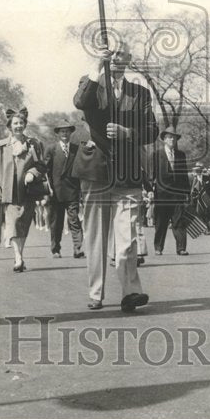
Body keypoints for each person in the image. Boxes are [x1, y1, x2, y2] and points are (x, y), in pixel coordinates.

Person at [74, 46, 159, 312]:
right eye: (112, 52)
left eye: (122, 52)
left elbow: (152, 130)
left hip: (128, 175)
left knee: (127, 238)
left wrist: (127, 132)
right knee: (96, 237)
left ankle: (131, 291)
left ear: (129, 59)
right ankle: (96, 292)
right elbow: (80, 102)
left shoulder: (140, 93)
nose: (116, 57)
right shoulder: (92, 85)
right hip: (96, 172)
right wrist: (97, 68)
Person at [0, 107, 47, 273]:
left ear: (25, 125)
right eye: (15, 123)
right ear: (9, 126)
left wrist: (32, 173)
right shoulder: (0, 146)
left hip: (28, 191)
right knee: (13, 222)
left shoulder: (34, 144)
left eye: (21, 122)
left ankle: (19, 256)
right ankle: (18, 257)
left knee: (23, 224)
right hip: (8, 191)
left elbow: (41, 166)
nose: (18, 126)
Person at [45, 118, 86, 259]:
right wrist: (48, 189)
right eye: (62, 131)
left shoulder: (76, 148)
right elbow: (45, 170)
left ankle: (78, 248)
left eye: (67, 131)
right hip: (55, 192)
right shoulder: (51, 149)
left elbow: (81, 169)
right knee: (56, 222)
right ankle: (55, 249)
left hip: (72, 191)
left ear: (70, 133)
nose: (65, 134)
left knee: (74, 220)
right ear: (58, 133)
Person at [150, 126, 191, 256]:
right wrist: (150, 189)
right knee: (161, 222)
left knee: (179, 221)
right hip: (161, 194)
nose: (172, 140)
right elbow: (152, 174)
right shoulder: (156, 155)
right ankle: (158, 247)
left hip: (177, 194)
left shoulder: (181, 155)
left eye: (174, 137)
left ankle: (181, 248)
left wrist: (187, 193)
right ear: (164, 139)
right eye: (169, 137)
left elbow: (184, 175)